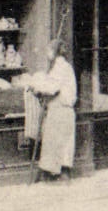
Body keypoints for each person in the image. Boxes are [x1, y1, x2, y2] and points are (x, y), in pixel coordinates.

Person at [21, 40, 77, 180]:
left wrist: (36, 87)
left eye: (48, 50)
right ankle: (60, 174)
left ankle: (53, 175)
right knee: (62, 144)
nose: (47, 54)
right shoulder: (63, 66)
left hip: (60, 109)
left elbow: (52, 88)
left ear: (54, 52)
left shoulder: (60, 67)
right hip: (62, 109)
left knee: (55, 143)